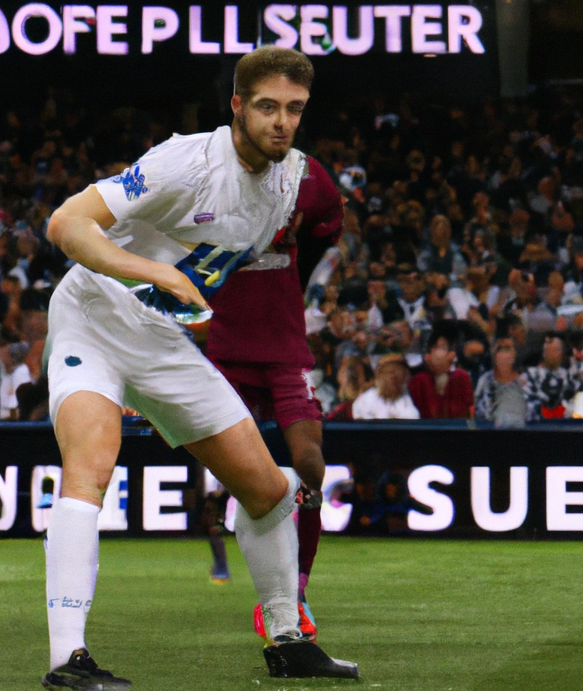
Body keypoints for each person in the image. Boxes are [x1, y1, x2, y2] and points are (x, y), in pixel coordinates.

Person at [41, 46, 357, 688]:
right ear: (237, 105)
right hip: (93, 318)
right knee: (89, 469)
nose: (281, 122)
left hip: (161, 342)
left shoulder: (290, 182)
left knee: (271, 492)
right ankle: (66, 660)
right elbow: (65, 223)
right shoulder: (185, 161)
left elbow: (213, 268)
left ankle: (288, 640)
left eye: (294, 109)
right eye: (266, 106)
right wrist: (152, 272)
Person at [204, 149, 344, 635]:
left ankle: (298, 590)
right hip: (225, 353)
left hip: (285, 352)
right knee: (224, 477)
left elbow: (331, 217)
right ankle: (241, 568)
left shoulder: (302, 173)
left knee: (310, 464)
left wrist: (310, 241)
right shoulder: (210, 173)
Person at [407, 325, 474, 419]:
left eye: (444, 348)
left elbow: (466, 412)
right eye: (439, 347)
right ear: (428, 356)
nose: (444, 354)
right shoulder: (419, 381)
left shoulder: (461, 377)